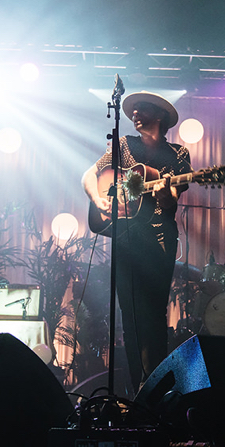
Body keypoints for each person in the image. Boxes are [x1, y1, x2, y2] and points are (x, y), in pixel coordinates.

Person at [82, 91, 192, 393]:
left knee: (153, 313)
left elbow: (170, 204)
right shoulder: (123, 146)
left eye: (141, 109)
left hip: (158, 237)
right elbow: (89, 175)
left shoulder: (179, 155)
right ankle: (136, 390)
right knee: (129, 314)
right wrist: (98, 199)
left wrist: (164, 194)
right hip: (126, 237)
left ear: (159, 116)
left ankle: (154, 386)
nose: (134, 115)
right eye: (132, 111)